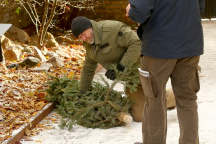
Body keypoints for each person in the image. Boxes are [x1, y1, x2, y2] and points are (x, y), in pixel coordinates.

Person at [126, 0, 205, 144]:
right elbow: (200, 8)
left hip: (158, 48)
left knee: (154, 99)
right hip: (190, 45)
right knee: (187, 98)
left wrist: (130, 9)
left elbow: (139, 13)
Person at [71, 16, 176, 122]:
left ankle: (174, 96)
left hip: (147, 72)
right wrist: (82, 92)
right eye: (80, 37)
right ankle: (160, 99)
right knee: (140, 116)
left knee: (155, 101)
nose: (83, 39)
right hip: (133, 82)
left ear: (90, 27)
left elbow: (137, 43)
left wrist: (121, 66)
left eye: (84, 34)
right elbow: (88, 68)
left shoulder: (112, 29)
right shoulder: (89, 46)